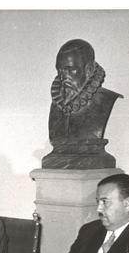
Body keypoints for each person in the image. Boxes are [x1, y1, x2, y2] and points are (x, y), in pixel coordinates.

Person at [43, 39, 123, 169]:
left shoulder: (105, 100)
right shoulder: (56, 104)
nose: (64, 76)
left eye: (71, 69)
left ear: (89, 69)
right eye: (60, 70)